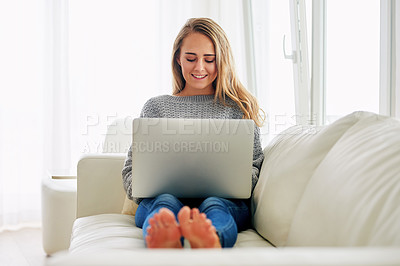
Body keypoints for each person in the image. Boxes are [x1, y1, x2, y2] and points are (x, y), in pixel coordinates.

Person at [122, 17, 264, 249]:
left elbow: (254, 165)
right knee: (164, 205)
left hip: (224, 201)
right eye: (191, 58)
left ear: (222, 61)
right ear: (178, 58)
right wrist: (142, 187)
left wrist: (230, 184)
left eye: (210, 59)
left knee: (216, 205)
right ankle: (164, 240)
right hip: (163, 199)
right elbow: (131, 169)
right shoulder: (156, 107)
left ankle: (210, 238)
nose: (199, 67)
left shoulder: (238, 108)